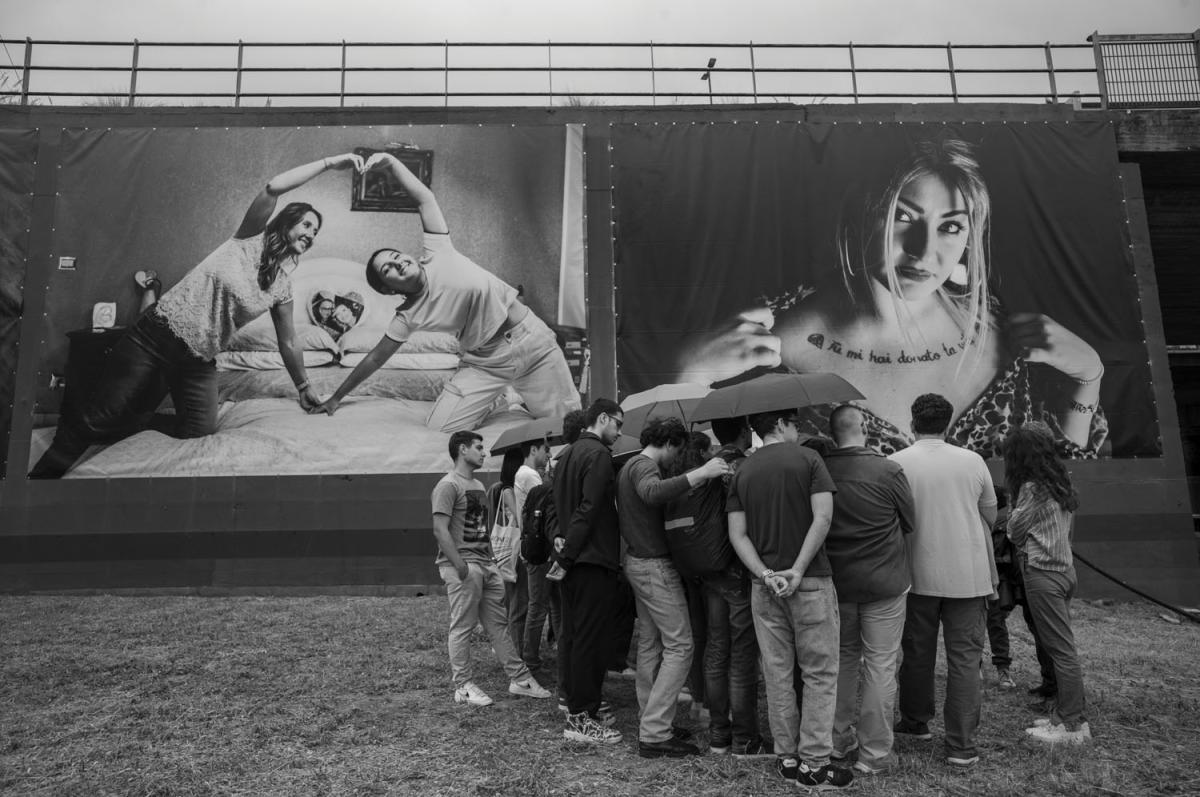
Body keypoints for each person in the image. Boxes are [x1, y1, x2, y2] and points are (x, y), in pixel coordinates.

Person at [674, 137, 1107, 460]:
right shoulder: (763, 345)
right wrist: (687, 377)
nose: (924, 250)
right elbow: (706, 474)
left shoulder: (1006, 335)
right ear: (861, 214)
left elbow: (1060, 473)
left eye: (951, 226)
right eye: (902, 216)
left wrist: (1088, 375)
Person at [30, 152, 364, 479]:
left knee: (199, 430)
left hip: (197, 359)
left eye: (316, 231)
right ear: (287, 221)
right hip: (155, 337)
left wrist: (303, 386)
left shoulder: (282, 287)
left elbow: (288, 340)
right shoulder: (248, 239)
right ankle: (41, 478)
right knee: (99, 418)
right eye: (307, 224)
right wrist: (330, 163)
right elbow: (273, 186)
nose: (311, 234)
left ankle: (133, 427)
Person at [316, 150, 581, 431]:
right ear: (388, 289)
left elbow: (424, 199)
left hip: (531, 343)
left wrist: (391, 162)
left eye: (395, 255)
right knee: (440, 427)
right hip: (485, 362)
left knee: (566, 426)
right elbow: (375, 357)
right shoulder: (407, 316)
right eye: (387, 269)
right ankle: (499, 398)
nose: (397, 262)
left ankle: (515, 395)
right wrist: (335, 398)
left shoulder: (437, 252)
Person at [726, 409, 853, 790]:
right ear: (781, 424)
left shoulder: (743, 470)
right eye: (795, 423)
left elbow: (737, 535)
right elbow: (823, 518)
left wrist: (765, 574)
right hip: (810, 581)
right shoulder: (810, 459)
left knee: (777, 673)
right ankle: (814, 764)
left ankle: (787, 757)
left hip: (764, 587)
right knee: (819, 673)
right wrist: (797, 569)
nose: (797, 429)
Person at [888, 393, 997, 768]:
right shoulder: (973, 461)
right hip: (969, 575)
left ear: (912, 423)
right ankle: (961, 745)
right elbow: (990, 514)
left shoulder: (895, 463)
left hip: (915, 574)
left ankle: (915, 721)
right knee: (965, 659)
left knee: (916, 653)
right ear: (948, 424)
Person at [616, 417, 730, 758]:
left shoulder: (629, 466)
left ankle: (650, 717)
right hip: (654, 566)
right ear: (668, 443)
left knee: (651, 643)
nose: (676, 458)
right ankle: (654, 732)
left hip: (638, 562)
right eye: (677, 451)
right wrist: (702, 473)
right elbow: (652, 493)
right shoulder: (644, 466)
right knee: (681, 645)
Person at [667, 416, 769, 758]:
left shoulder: (705, 468)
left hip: (709, 570)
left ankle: (718, 735)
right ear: (743, 432)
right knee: (741, 656)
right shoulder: (740, 467)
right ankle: (745, 739)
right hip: (737, 571)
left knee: (715, 649)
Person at [822, 404, 915, 776]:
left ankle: (836, 740)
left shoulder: (819, 469)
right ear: (863, 426)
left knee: (841, 662)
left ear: (832, 433)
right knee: (880, 665)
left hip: (836, 583)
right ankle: (874, 754)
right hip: (884, 582)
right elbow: (909, 521)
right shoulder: (889, 470)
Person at [431, 430, 552, 708]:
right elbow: (439, 529)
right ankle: (463, 686)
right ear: (462, 449)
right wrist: (461, 566)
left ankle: (519, 679)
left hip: (485, 565)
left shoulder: (476, 484)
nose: (483, 453)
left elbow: (481, 527)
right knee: (463, 626)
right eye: (478, 447)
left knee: (498, 624)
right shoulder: (447, 485)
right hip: (465, 567)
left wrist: (491, 561)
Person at [1004, 422, 1091, 744]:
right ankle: (1068, 715)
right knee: (1061, 648)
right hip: (1064, 571)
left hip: (1043, 572)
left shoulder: (1032, 489)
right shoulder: (1060, 481)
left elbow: (1014, 530)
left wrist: (1014, 508)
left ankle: (1071, 724)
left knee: (1060, 651)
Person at [552, 398, 625, 745]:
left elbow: (558, 507)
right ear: (603, 418)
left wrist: (563, 547)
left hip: (575, 560)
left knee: (574, 637)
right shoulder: (598, 455)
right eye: (618, 424)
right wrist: (568, 554)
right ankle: (582, 718)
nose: (619, 432)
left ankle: (577, 711)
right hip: (591, 560)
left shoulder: (566, 455)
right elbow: (590, 507)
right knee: (589, 642)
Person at [514, 438, 554, 673]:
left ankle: (531, 655)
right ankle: (530, 658)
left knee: (539, 604)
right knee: (538, 606)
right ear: (533, 450)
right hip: (539, 549)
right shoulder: (530, 476)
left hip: (531, 546)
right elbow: (546, 503)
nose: (549, 455)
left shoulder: (523, 473)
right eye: (546, 450)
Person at [494, 448, 528, 652]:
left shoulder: (508, 488)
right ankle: (514, 647)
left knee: (512, 599)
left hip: (511, 549)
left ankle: (508, 643)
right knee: (516, 600)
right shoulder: (507, 490)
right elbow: (519, 516)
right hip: (514, 548)